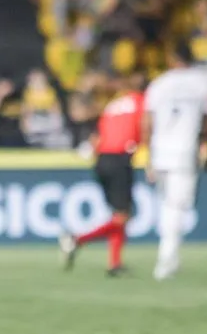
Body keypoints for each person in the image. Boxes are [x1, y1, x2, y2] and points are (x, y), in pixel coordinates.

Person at [140, 44, 207, 280]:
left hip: (160, 151)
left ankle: (170, 258)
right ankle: (166, 260)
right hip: (184, 152)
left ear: (173, 59)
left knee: (167, 205)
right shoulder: (202, 83)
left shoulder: (159, 84)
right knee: (176, 207)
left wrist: (147, 156)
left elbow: (147, 123)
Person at [60, 73, 146, 276]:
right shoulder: (142, 102)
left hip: (102, 160)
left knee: (118, 214)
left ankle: (114, 263)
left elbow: (94, 134)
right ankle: (76, 239)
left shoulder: (113, 105)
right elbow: (145, 125)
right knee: (122, 217)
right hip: (119, 158)